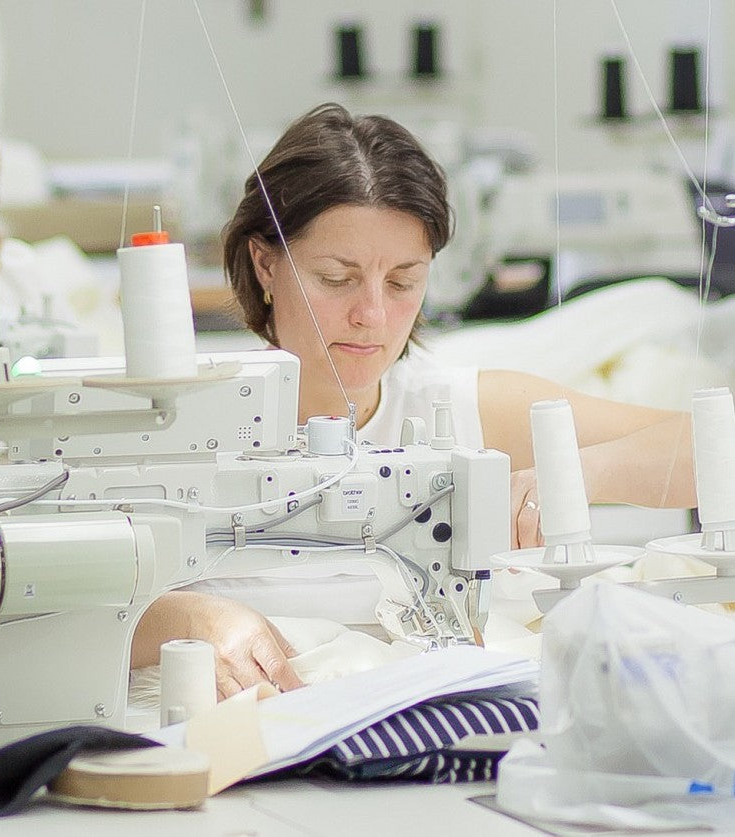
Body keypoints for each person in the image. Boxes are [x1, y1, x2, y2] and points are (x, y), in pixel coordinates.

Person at [131, 102, 698, 698]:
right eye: (336, 277)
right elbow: (41, 593)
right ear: (265, 263)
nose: (372, 315)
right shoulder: (171, 426)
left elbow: (713, 447)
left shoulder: (467, 408)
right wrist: (188, 618)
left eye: (403, 281)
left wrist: (583, 470)